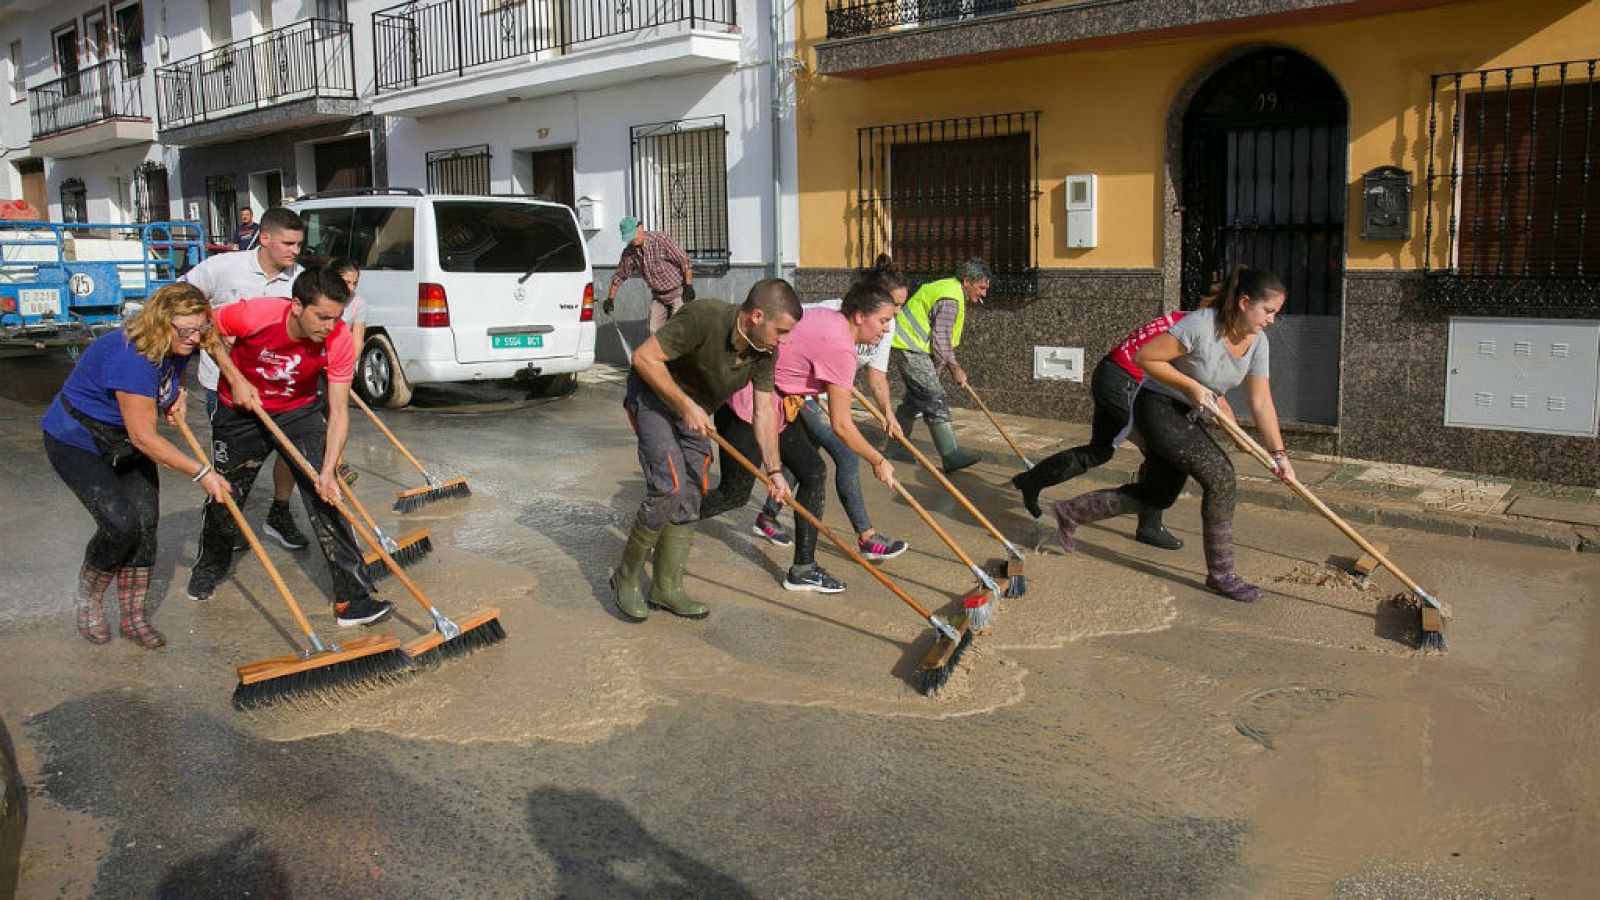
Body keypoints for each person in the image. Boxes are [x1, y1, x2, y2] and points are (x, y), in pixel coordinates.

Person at [1052, 266, 1294, 602]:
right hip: (1158, 405)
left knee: (1159, 494)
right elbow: (1145, 357)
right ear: (1244, 302)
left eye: (1275, 314)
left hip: (1189, 412)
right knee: (1221, 476)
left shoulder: (1258, 343)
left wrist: (1278, 455)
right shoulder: (1200, 325)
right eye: (1268, 311)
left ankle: (1071, 512)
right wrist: (1191, 386)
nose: (1271, 320)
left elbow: (1261, 402)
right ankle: (1221, 575)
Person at [185, 268, 395, 628]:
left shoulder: (339, 339)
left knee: (326, 495)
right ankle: (209, 566)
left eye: (337, 317)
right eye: (323, 316)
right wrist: (234, 378)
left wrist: (328, 472)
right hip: (240, 412)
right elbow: (207, 329)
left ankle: (353, 599)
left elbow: (340, 412)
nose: (331, 326)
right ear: (297, 306)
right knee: (227, 495)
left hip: (298, 412)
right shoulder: (254, 314)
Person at [41, 283, 237, 648]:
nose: (195, 339)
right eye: (187, 330)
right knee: (120, 526)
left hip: (125, 438)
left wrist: (174, 390)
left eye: (201, 329)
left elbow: (175, 366)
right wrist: (202, 472)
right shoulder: (130, 358)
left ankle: (133, 618)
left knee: (146, 527)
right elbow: (145, 438)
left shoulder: (177, 341)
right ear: (161, 322)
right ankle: (87, 603)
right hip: (79, 440)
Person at [611, 280, 801, 621]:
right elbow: (644, 358)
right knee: (668, 486)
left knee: (692, 492)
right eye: (781, 330)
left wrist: (773, 470)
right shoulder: (704, 317)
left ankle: (667, 588)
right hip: (653, 395)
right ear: (757, 316)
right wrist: (684, 404)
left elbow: (763, 412)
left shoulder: (765, 351)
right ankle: (625, 577)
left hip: (694, 409)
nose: (783, 340)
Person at [701, 280, 903, 592]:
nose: (887, 330)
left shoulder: (831, 316)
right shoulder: (841, 346)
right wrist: (877, 460)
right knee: (733, 495)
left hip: (780, 402)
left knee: (813, 471)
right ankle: (668, 518)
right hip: (749, 405)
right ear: (860, 316)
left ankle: (803, 568)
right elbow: (842, 426)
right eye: (884, 321)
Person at [1010, 308, 1216, 551]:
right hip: (1126, 382)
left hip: (1110, 373)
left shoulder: (1183, 317)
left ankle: (1031, 481)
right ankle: (1149, 526)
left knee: (1100, 450)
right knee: (1160, 450)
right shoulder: (1199, 327)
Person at [749, 255, 912, 562]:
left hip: (819, 390)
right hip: (796, 390)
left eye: (900, 307)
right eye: (894, 306)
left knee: (806, 458)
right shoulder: (835, 313)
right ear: (869, 303)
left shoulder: (884, 326)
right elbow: (790, 329)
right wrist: (877, 459)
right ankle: (867, 537)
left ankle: (767, 516)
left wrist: (888, 412)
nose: (896, 316)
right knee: (846, 452)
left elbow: (877, 376)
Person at [183, 206, 308, 550]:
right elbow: (177, 301)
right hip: (225, 384)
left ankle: (279, 514)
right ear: (264, 238)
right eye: (288, 243)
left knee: (289, 451)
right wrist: (208, 324)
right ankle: (229, 524)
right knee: (234, 462)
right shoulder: (223, 268)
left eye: (299, 244)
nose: (295, 251)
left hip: (280, 386)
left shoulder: (300, 280)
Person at [885, 258, 991, 473]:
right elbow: (941, 341)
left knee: (915, 400)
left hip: (910, 347)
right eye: (981, 288)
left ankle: (896, 446)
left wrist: (939, 369)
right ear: (967, 281)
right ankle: (950, 456)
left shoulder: (950, 290)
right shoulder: (950, 298)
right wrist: (955, 368)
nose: (983, 294)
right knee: (934, 397)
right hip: (910, 347)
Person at [603, 217, 696, 333]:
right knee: (653, 330)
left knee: (677, 329)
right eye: (629, 238)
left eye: (633, 235)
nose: (632, 240)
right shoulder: (630, 253)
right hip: (658, 296)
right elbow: (620, 275)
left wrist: (688, 286)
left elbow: (685, 261)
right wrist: (610, 299)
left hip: (678, 293)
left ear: (640, 228)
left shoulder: (661, 240)